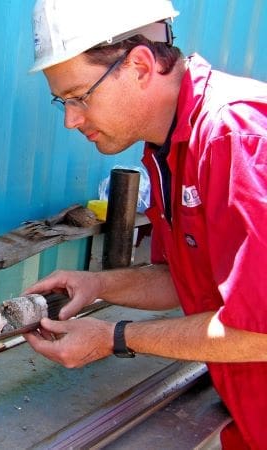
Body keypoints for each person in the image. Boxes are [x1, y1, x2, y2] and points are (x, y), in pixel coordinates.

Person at [22, 0, 267, 448]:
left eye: (79, 96)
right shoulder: (168, 147)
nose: (71, 119)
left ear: (138, 65)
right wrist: (97, 286)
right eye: (63, 101)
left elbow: (259, 331)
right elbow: (187, 280)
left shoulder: (235, 137)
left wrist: (114, 337)